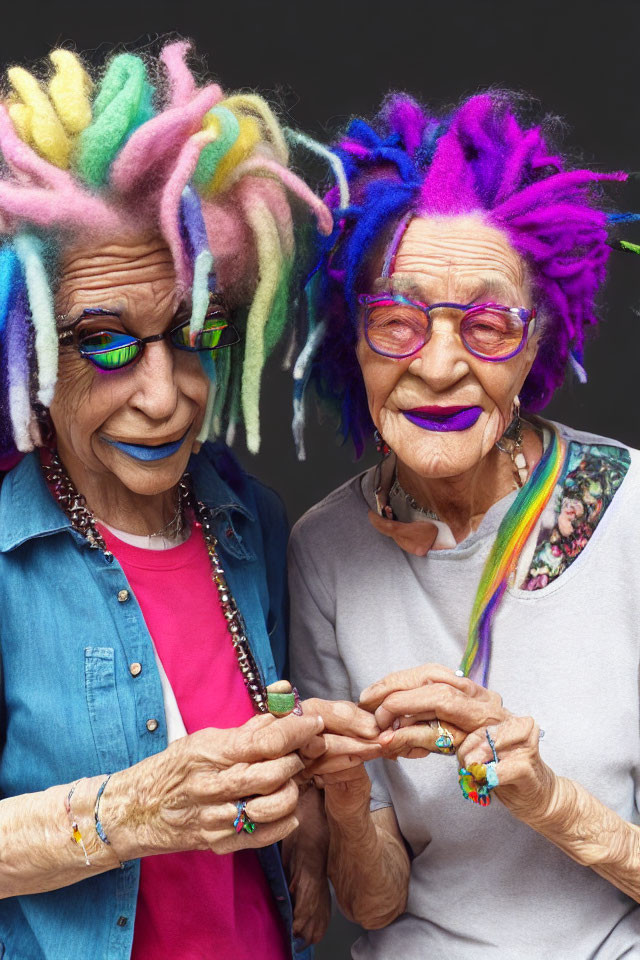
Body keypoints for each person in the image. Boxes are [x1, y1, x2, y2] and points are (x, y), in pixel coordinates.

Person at [0, 40, 357, 960]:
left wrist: (312, 805)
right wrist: (132, 812)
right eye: (107, 344)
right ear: (27, 345)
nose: (165, 397)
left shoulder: (252, 525)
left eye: (192, 332)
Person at [289, 92, 640, 958]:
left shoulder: (633, 512)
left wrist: (545, 797)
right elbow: (372, 909)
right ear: (354, 346)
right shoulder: (323, 549)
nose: (439, 367)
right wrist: (342, 796)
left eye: (486, 326)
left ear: (536, 345)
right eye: (398, 324)